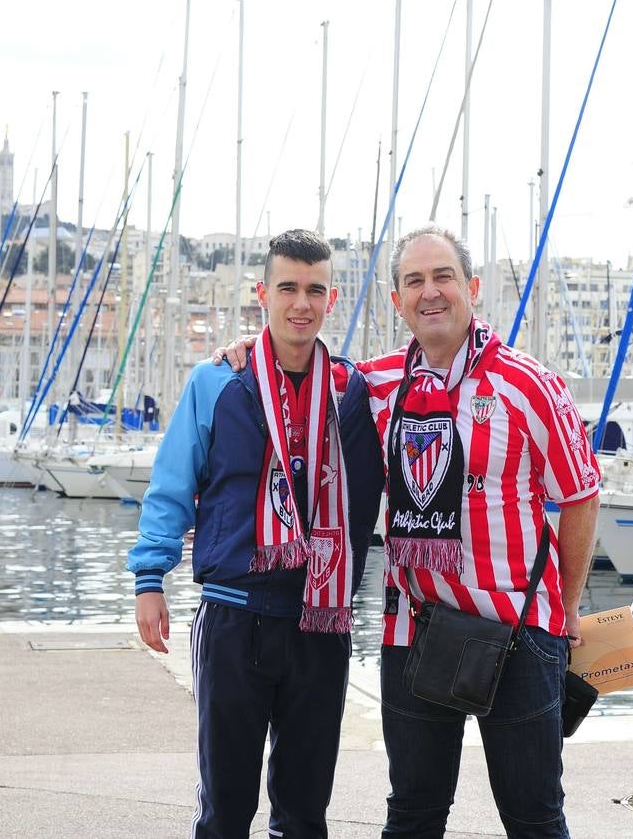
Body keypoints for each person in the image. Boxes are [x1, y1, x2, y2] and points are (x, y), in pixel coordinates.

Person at [218, 225, 600, 838]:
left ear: (472, 289)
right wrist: (246, 347)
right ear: (396, 301)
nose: (431, 293)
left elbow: (581, 496)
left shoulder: (531, 386)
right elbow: (297, 362)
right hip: (415, 632)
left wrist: (571, 609)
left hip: (522, 632)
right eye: (414, 281)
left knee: (534, 817)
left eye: (443, 277)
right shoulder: (371, 384)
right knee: (414, 816)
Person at [128, 228, 384, 839]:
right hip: (234, 617)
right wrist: (149, 579)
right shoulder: (216, 381)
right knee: (225, 809)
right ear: (262, 293)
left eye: (315, 290)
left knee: (303, 813)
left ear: (333, 297)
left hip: (320, 623)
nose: (302, 303)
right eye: (288, 287)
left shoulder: (355, 392)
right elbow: (171, 485)